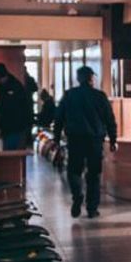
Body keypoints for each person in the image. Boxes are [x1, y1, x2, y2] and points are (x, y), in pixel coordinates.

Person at [53, 66, 117, 218]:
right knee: (94, 173)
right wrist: (113, 139)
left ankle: (77, 196)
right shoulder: (100, 96)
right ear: (91, 79)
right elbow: (109, 119)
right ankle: (92, 208)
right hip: (95, 140)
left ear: (78, 79)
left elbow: (59, 118)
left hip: (75, 139)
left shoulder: (69, 95)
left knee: (74, 170)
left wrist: (56, 138)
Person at [0, 62, 34, 151]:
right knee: (11, 153)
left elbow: (6, 105)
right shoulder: (7, 84)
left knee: (13, 153)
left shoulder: (14, 86)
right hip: (12, 128)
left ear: (3, 76)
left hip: (16, 127)